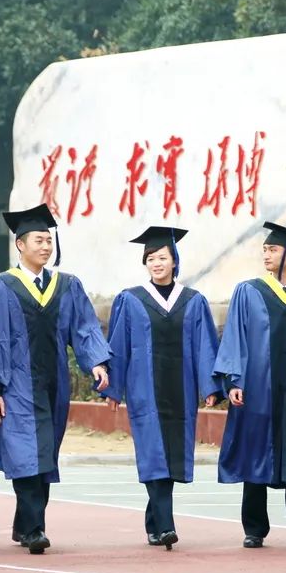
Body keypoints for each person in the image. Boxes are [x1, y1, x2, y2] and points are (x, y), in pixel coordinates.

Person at [0, 204, 110, 554]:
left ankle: (25, 523)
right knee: (25, 454)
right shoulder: (1, 285)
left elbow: (84, 327)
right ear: (20, 244)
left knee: (44, 455)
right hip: (17, 385)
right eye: (38, 240)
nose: (46, 246)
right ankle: (35, 529)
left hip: (54, 385)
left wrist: (96, 362)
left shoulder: (66, 285)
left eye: (49, 240)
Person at [215, 221, 286, 552]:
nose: (266, 254)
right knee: (257, 453)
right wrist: (234, 380)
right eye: (265, 249)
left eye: (274, 249)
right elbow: (235, 337)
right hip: (257, 390)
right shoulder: (248, 292)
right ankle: (254, 529)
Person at [101, 226, 220, 550]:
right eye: (151, 258)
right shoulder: (131, 299)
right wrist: (113, 388)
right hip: (144, 391)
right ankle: (166, 525)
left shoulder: (193, 301)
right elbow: (119, 345)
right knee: (154, 452)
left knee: (172, 454)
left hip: (182, 390)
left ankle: (155, 522)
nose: (156, 263)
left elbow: (205, 346)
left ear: (174, 261)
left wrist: (210, 386)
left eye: (162, 258)